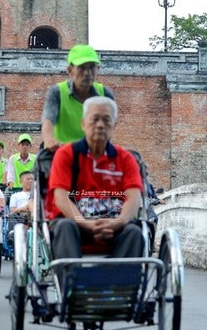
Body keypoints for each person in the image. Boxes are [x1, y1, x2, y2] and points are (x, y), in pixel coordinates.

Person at [46, 96, 144, 259]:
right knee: (64, 227)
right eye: (95, 119)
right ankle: (69, 281)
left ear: (114, 125)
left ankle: (122, 283)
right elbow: (61, 197)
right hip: (75, 223)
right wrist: (86, 223)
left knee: (134, 232)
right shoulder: (66, 154)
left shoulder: (125, 158)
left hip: (115, 224)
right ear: (83, 124)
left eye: (106, 120)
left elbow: (133, 197)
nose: (100, 125)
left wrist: (118, 222)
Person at [41, 44, 115, 152]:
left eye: (91, 67)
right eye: (82, 68)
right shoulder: (57, 92)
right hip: (61, 151)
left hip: (94, 152)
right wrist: (49, 140)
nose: (87, 73)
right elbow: (48, 119)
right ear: (70, 70)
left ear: (98, 69)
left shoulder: (105, 94)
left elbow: (110, 124)